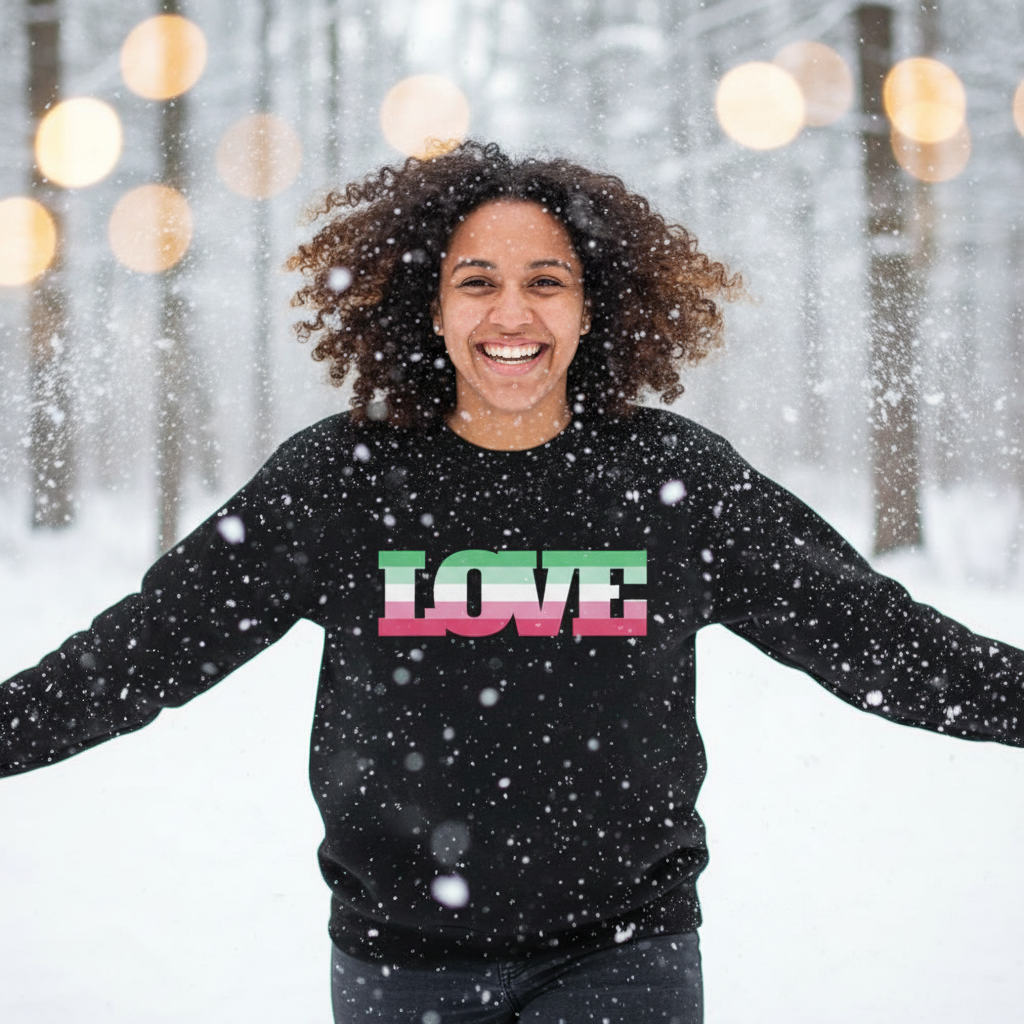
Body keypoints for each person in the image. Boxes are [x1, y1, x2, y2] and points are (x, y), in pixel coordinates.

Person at [2, 139, 1022, 1023]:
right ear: (430, 307)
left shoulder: (674, 483)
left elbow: (885, 642)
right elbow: (139, 654)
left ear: (592, 306)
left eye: (546, 280)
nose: (511, 311)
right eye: (476, 280)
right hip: (399, 961)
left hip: (622, 953)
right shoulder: (343, 483)